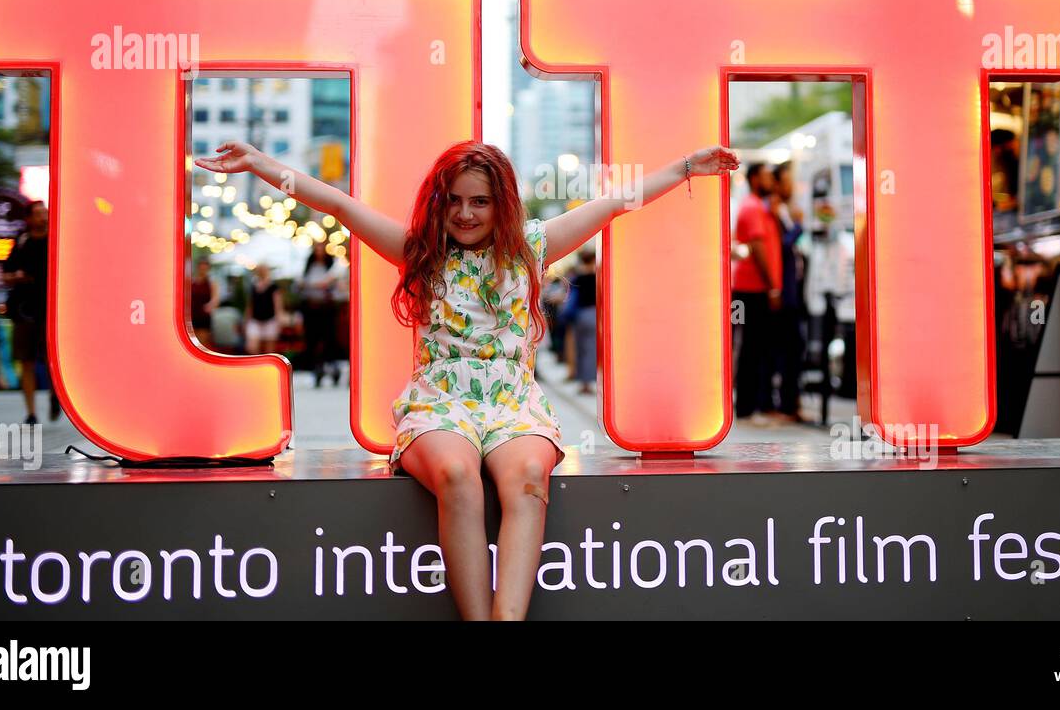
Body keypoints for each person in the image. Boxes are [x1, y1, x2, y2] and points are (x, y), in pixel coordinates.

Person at [196, 138, 738, 621]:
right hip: (439, 401)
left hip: (512, 400)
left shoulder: (530, 247)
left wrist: (686, 166)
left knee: (528, 475)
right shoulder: (420, 251)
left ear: (501, 203)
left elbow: (616, 204)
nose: (465, 213)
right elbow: (337, 203)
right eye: (453, 200)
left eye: (479, 201)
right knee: (457, 476)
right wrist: (259, 164)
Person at [732, 162, 782, 422]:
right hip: (752, 288)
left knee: (756, 346)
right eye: (766, 176)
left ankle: (752, 406)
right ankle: (747, 408)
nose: (772, 181)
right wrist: (772, 286)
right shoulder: (751, 208)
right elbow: (758, 249)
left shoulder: (761, 208)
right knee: (752, 347)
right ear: (754, 179)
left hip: (756, 287)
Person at [5, 201, 54, 423]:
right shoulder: (21, 243)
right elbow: (5, 275)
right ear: (29, 219)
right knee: (26, 360)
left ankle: (57, 396)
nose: (43, 216)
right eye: (38, 213)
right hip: (24, 310)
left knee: (52, 359)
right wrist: (18, 277)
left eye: (45, 212)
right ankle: (31, 412)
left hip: (50, 309)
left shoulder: (56, 241)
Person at [770, 163, 807, 423]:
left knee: (794, 346)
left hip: (793, 288)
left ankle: (790, 401)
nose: (790, 186)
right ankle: (786, 402)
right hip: (785, 290)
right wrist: (797, 227)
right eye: (786, 181)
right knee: (788, 347)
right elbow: (780, 246)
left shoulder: (782, 209)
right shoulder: (774, 211)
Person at [300, 245, 340, 386]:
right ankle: (317, 369)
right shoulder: (308, 268)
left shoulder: (332, 266)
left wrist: (316, 285)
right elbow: (303, 283)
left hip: (326, 308)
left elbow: (329, 283)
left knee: (329, 338)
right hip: (311, 308)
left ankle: (332, 367)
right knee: (313, 339)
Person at [568, 249, 597, 395]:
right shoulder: (595, 277)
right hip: (592, 314)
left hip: (579, 315)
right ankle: (588, 382)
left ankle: (582, 382)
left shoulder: (578, 277)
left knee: (580, 348)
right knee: (591, 349)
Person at [244, 263, 284, 355]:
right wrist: (246, 320)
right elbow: (250, 305)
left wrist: (279, 320)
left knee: (269, 350)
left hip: (270, 320)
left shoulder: (273, 287)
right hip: (255, 320)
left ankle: (266, 368)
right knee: (251, 347)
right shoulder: (253, 286)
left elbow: (277, 305)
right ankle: (257, 364)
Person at [190, 259, 220, 350]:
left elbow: (216, 298)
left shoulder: (211, 282)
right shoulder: (191, 281)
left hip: (203, 315)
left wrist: (209, 306)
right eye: (201, 267)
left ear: (208, 269)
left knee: (202, 343)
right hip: (191, 314)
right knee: (191, 343)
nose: (202, 270)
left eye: (205, 268)